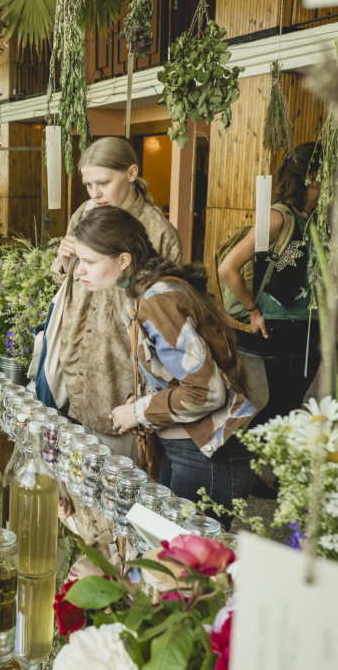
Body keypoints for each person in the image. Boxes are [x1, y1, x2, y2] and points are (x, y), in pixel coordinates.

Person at [70, 206, 258, 511]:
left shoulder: (158, 298)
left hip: (206, 455)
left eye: (89, 261)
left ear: (124, 260)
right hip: (188, 449)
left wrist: (138, 411)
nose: (79, 270)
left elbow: (206, 391)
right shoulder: (150, 291)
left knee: (182, 557)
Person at [39, 136, 181, 460]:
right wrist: (63, 263)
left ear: (131, 173)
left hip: (119, 373)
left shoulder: (159, 233)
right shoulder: (85, 213)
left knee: (113, 480)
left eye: (103, 182)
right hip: (74, 358)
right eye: (89, 184)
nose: (94, 193)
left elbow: (170, 317)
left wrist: (146, 396)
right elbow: (65, 280)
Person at [217, 143, 321, 433]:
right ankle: (242, 460)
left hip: (310, 322)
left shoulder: (312, 217)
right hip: (281, 324)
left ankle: (269, 470)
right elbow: (228, 268)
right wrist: (253, 311)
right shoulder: (278, 217)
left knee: (291, 404)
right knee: (282, 405)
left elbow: (299, 266)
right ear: (313, 175)